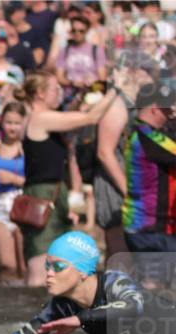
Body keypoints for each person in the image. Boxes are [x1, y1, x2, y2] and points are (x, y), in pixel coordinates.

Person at [0, 231, 163, 334]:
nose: (49, 273)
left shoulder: (114, 282)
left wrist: (81, 319)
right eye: (47, 266)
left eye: (58, 266)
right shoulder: (62, 306)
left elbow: (133, 307)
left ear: (83, 271)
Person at [15, 71, 118, 286]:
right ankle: (27, 306)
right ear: (40, 93)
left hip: (52, 193)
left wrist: (81, 95)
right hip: (43, 196)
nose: (59, 94)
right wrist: (116, 89)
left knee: (59, 264)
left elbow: (74, 115)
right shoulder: (40, 118)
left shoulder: (42, 117)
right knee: (40, 268)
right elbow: (90, 118)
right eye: (56, 90)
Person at [95, 50, 156, 261]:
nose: (151, 77)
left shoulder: (136, 103)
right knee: (120, 252)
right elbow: (104, 152)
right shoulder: (118, 105)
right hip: (115, 184)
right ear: (131, 71)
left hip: (129, 182)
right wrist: (129, 190)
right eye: (146, 71)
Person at [121, 83, 176, 253]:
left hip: (148, 228)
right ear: (154, 109)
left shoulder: (143, 132)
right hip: (149, 229)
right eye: (167, 110)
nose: (171, 114)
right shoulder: (148, 137)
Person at [0, 102, 27, 279]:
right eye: (8, 122)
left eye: (17, 123)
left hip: (21, 202)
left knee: (24, 266)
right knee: (7, 266)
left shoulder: (27, 147)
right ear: (1, 122)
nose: (12, 127)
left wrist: (14, 179)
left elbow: (37, 180)